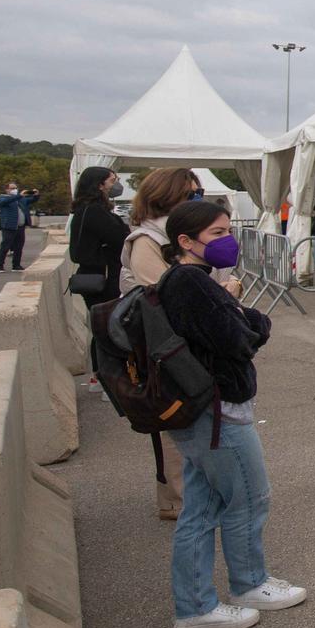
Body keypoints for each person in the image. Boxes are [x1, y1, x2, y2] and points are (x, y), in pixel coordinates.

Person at [156, 200, 306, 628]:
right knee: (248, 497)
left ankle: (197, 603)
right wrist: (241, 311)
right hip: (216, 410)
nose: (228, 241)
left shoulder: (186, 281)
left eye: (227, 231)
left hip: (204, 408)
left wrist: (239, 313)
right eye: (217, 234)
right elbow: (242, 338)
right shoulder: (192, 283)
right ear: (186, 241)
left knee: (202, 507)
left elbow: (241, 327)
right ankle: (245, 585)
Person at [121, 167, 227, 522]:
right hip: (168, 349)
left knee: (196, 421)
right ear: (168, 197)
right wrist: (222, 296)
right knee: (175, 424)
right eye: (192, 194)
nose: (199, 200)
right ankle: (180, 503)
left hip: (188, 345)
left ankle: (190, 499)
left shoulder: (170, 236)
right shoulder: (146, 241)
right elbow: (165, 297)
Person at [67, 166, 130, 306]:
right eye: (112, 181)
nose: (116, 185)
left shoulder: (86, 208)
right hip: (104, 276)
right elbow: (118, 239)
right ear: (100, 185)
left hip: (95, 273)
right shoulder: (95, 211)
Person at [0, 180, 38, 272]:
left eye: (15, 188)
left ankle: (16, 265)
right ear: (7, 190)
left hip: (20, 227)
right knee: (5, 246)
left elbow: (31, 200)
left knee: (19, 247)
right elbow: (4, 202)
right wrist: (18, 196)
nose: (15, 190)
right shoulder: (3, 198)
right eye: (12, 188)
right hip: (9, 227)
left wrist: (36, 195)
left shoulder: (21, 199)